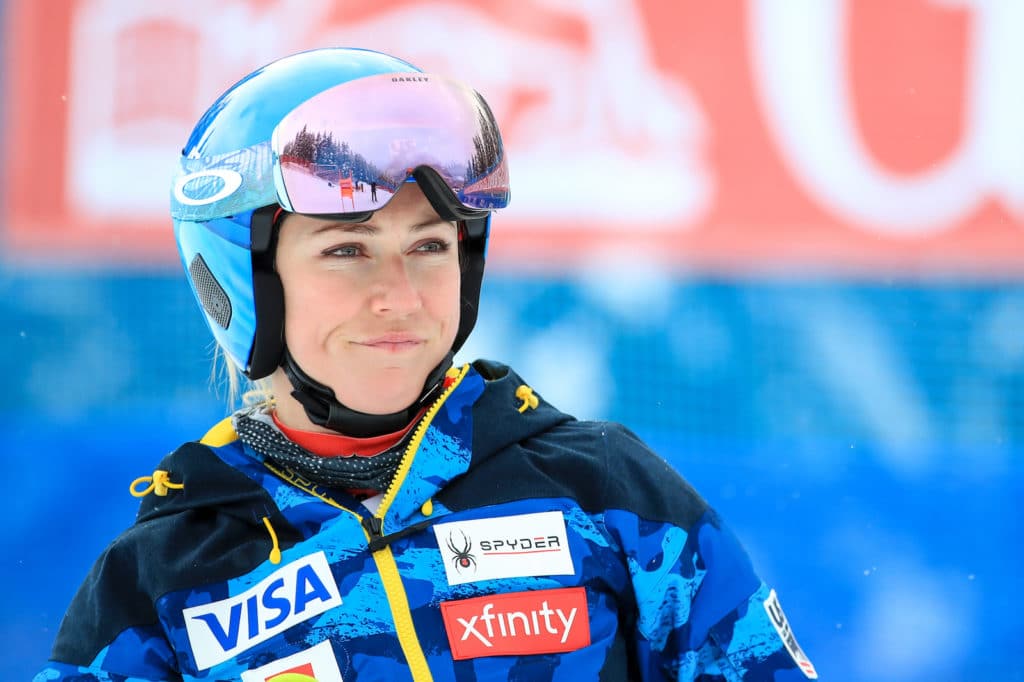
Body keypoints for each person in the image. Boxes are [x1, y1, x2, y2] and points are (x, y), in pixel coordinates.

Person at [35, 47, 816, 681]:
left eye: (430, 246)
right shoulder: (163, 581)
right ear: (243, 280)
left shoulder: (605, 494)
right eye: (348, 251)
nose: (400, 297)